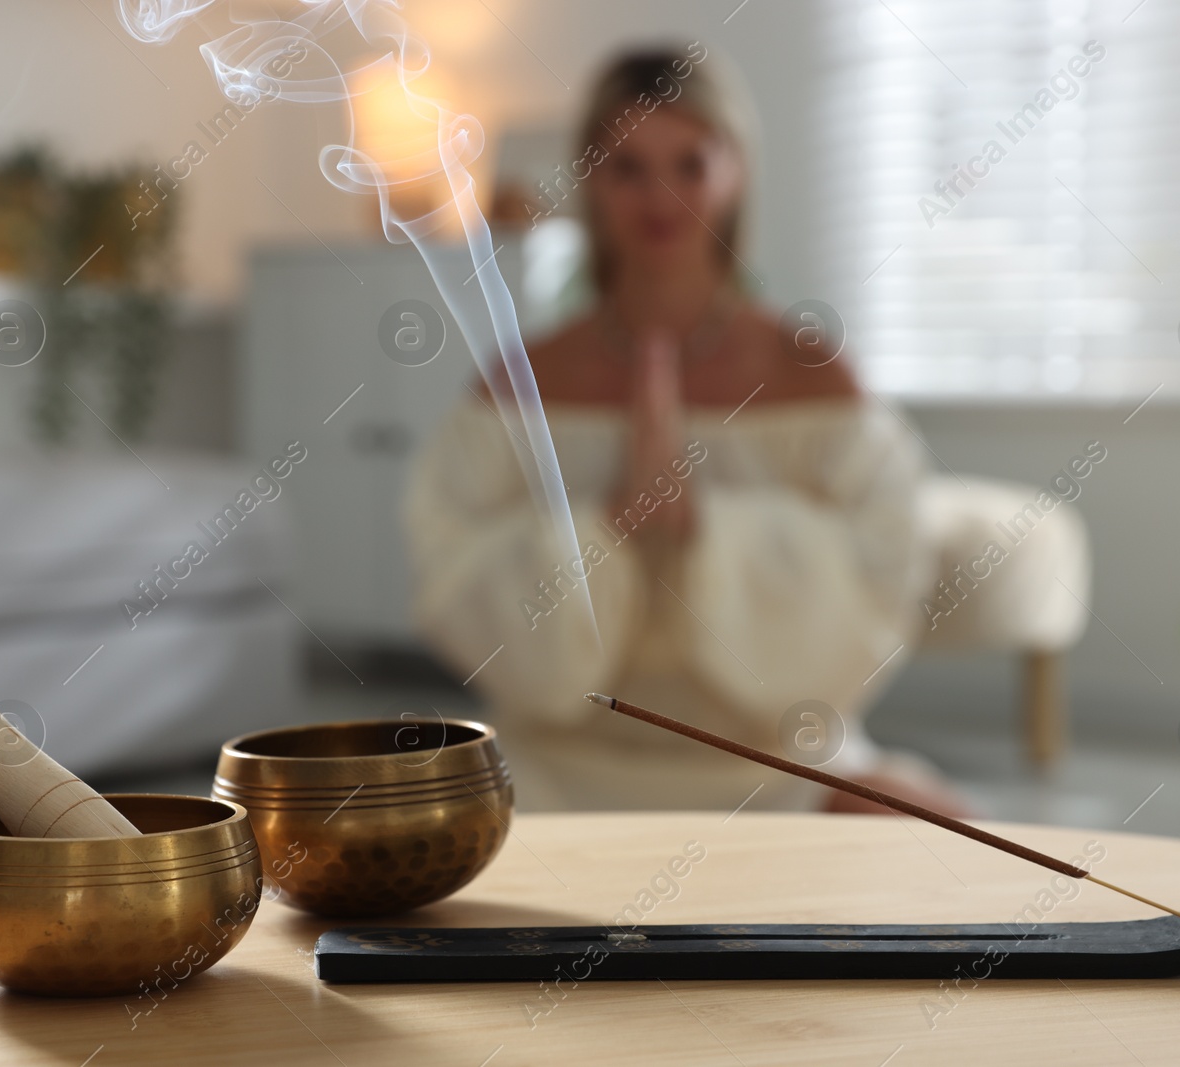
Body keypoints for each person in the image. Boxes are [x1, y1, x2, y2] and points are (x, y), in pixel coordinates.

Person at [404, 46, 967, 816]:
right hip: (560, 763)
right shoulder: (521, 383)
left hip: (771, 762)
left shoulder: (814, 376)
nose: (659, 196)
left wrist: (711, 527)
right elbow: (448, 570)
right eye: (627, 167)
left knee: (944, 835)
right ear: (590, 182)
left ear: (736, 172)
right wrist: (605, 526)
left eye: (690, 163)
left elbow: (883, 569)